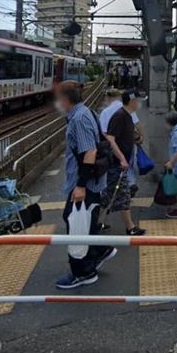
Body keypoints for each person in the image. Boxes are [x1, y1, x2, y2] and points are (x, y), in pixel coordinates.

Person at [54, 81, 117, 289]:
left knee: (76, 225)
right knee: (83, 221)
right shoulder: (85, 112)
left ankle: (83, 272)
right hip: (92, 182)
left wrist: (80, 185)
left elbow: (89, 152)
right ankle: (100, 250)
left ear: (65, 100)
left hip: (86, 184)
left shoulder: (79, 119)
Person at [101, 90, 146, 236]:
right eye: (137, 101)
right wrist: (121, 158)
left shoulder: (126, 115)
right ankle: (130, 227)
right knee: (123, 195)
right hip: (117, 163)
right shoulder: (120, 116)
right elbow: (111, 138)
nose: (139, 104)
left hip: (119, 163)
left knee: (110, 195)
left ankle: (95, 222)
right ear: (131, 101)